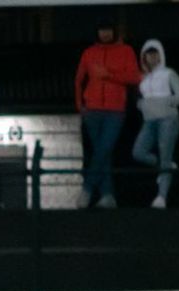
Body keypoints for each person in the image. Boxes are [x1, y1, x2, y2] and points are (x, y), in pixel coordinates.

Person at [74, 18, 140, 209]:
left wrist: (109, 74)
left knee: (103, 149)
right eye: (102, 30)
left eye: (108, 30)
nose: (105, 34)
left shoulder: (125, 51)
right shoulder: (89, 52)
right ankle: (108, 195)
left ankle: (87, 189)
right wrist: (80, 104)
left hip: (115, 110)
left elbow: (134, 77)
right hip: (92, 109)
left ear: (114, 32)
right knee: (102, 153)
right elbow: (79, 79)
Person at [132, 39, 179, 209]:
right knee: (138, 152)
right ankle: (165, 166)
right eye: (148, 54)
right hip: (149, 121)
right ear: (144, 57)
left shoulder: (169, 73)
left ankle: (161, 197)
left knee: (165, 154)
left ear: (160, 55)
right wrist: (141, 105)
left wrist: (164, 104)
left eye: (155, 53)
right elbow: (141, 99)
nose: (152, 57)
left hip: (168, 120)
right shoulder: (143, 78)